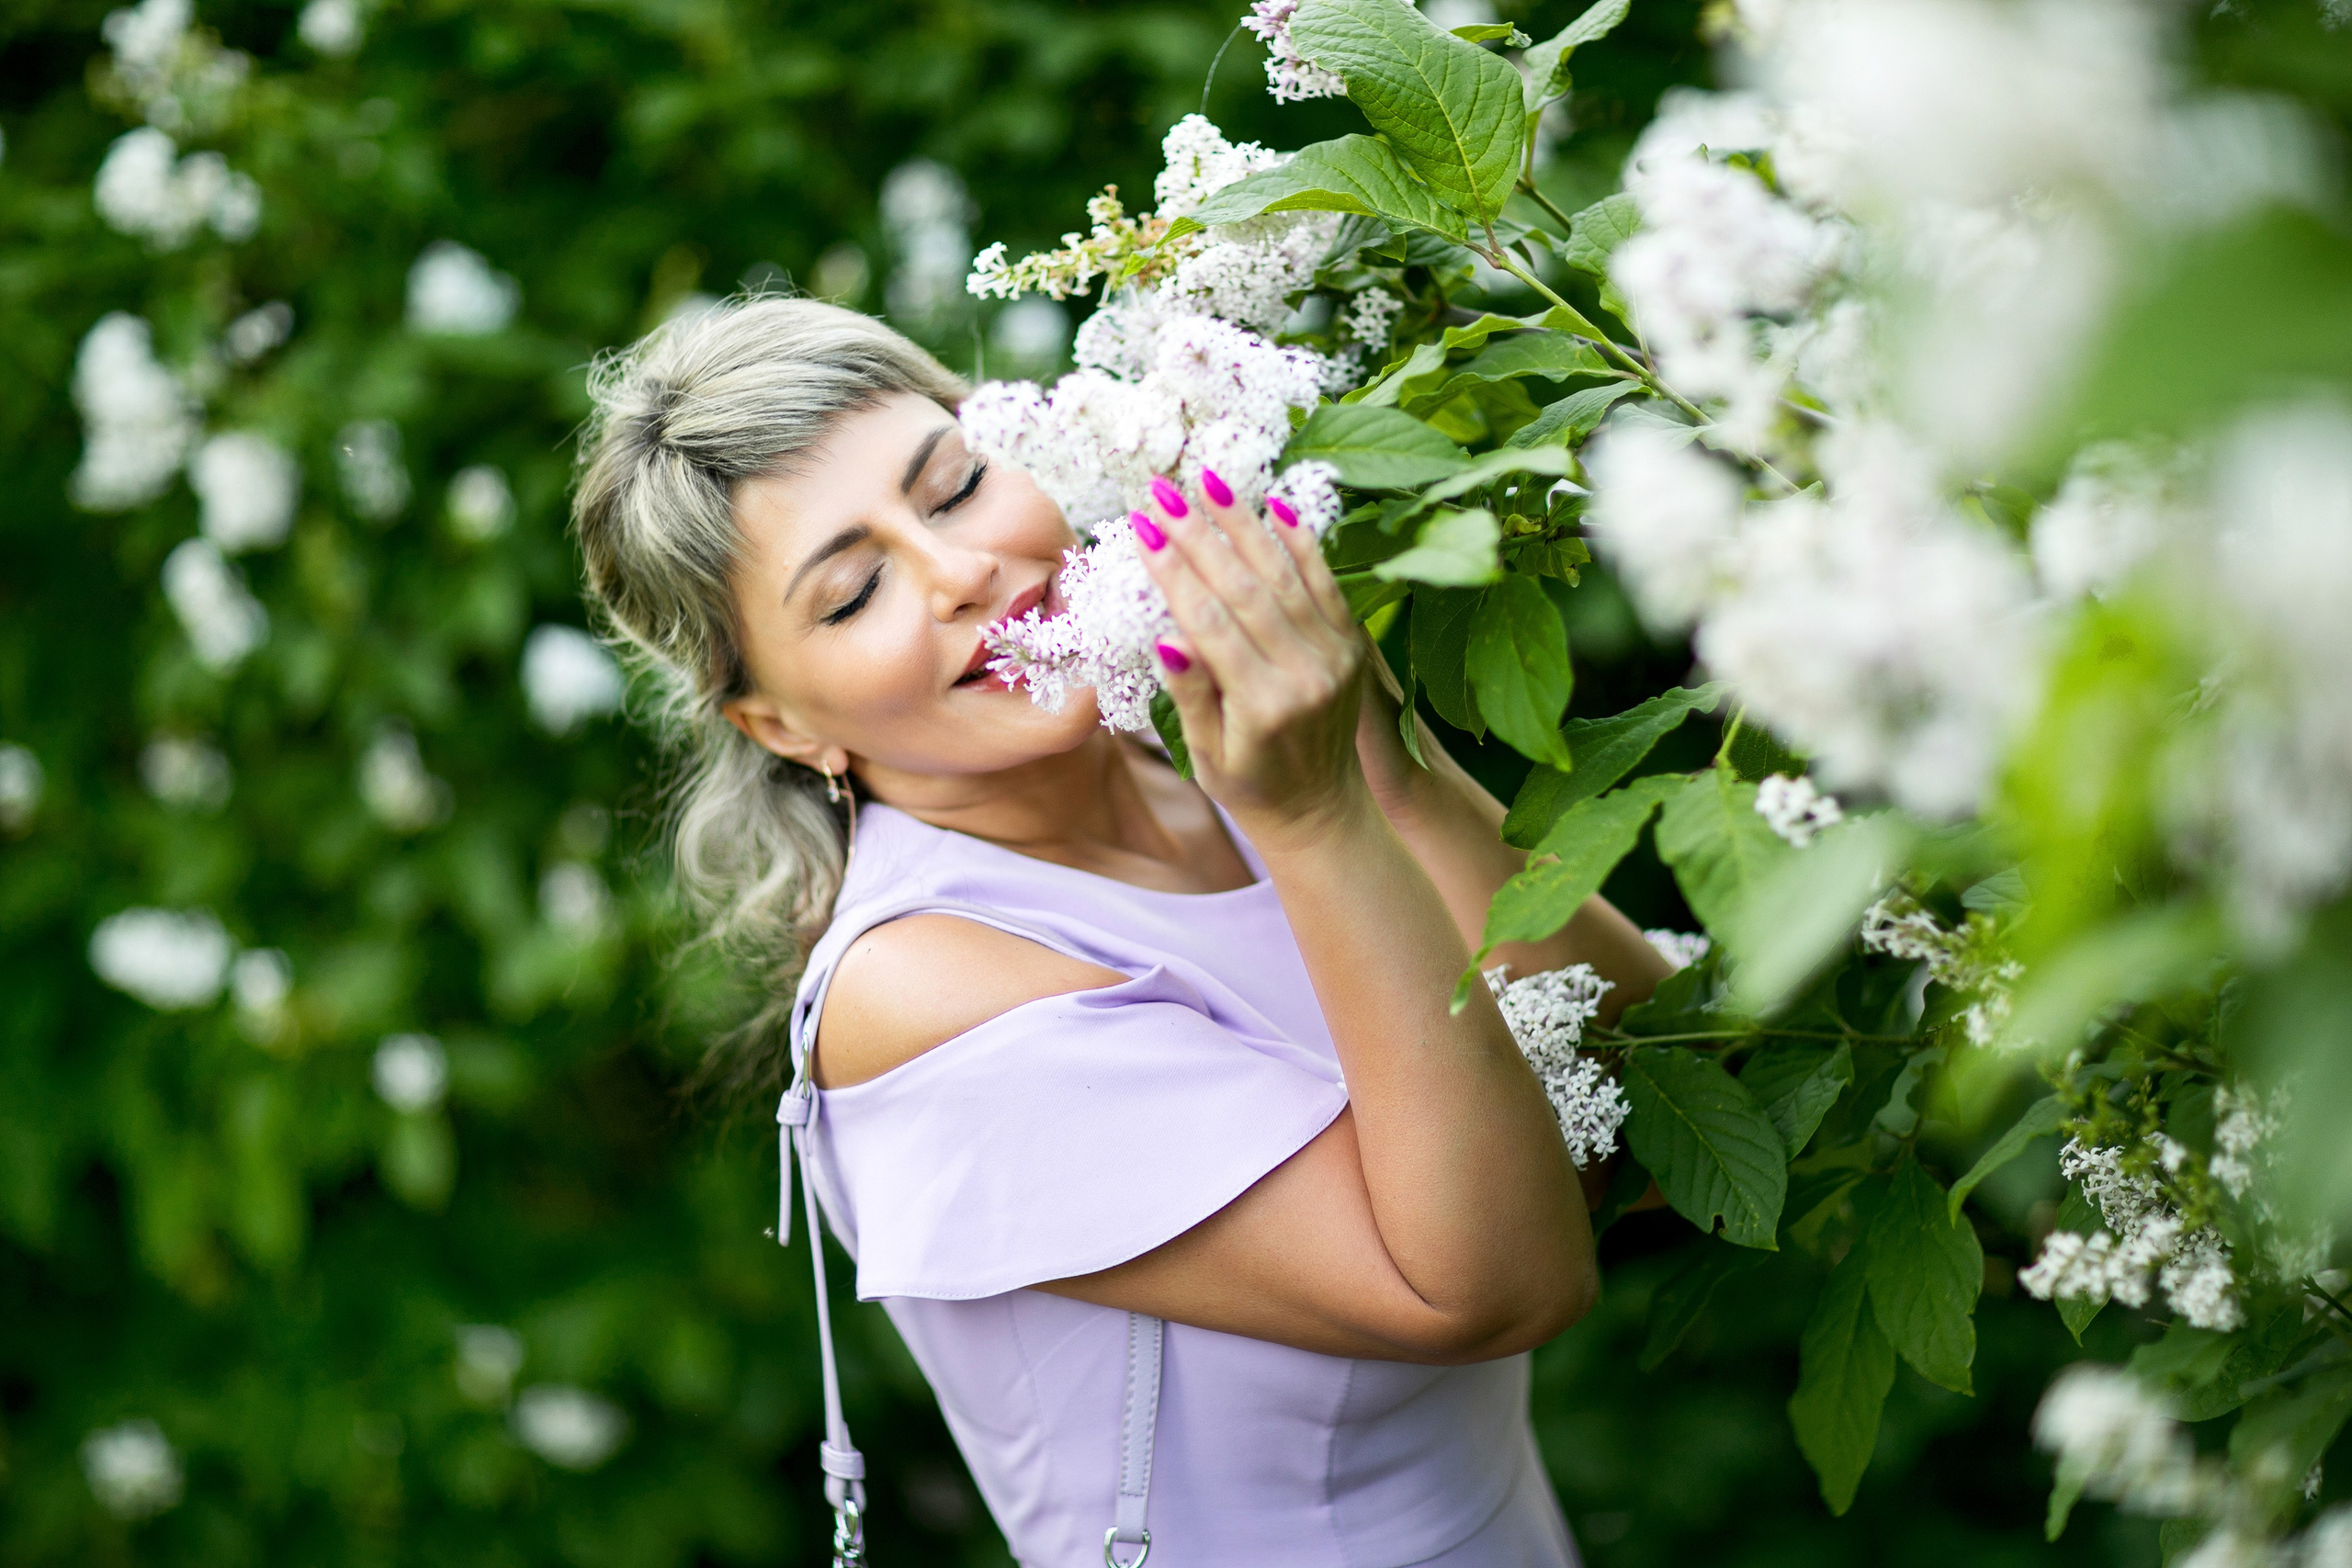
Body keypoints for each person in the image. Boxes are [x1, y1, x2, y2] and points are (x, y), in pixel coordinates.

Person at [571, 297, 1671, 1567]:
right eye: (855, 590)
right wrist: (1319, 818)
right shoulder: (923, 1003)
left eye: (956, 487)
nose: (957, 572)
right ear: (780, 726)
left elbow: (1655, 1081)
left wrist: (1382, 760)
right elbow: (1499, 1287)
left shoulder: (1201, 747)